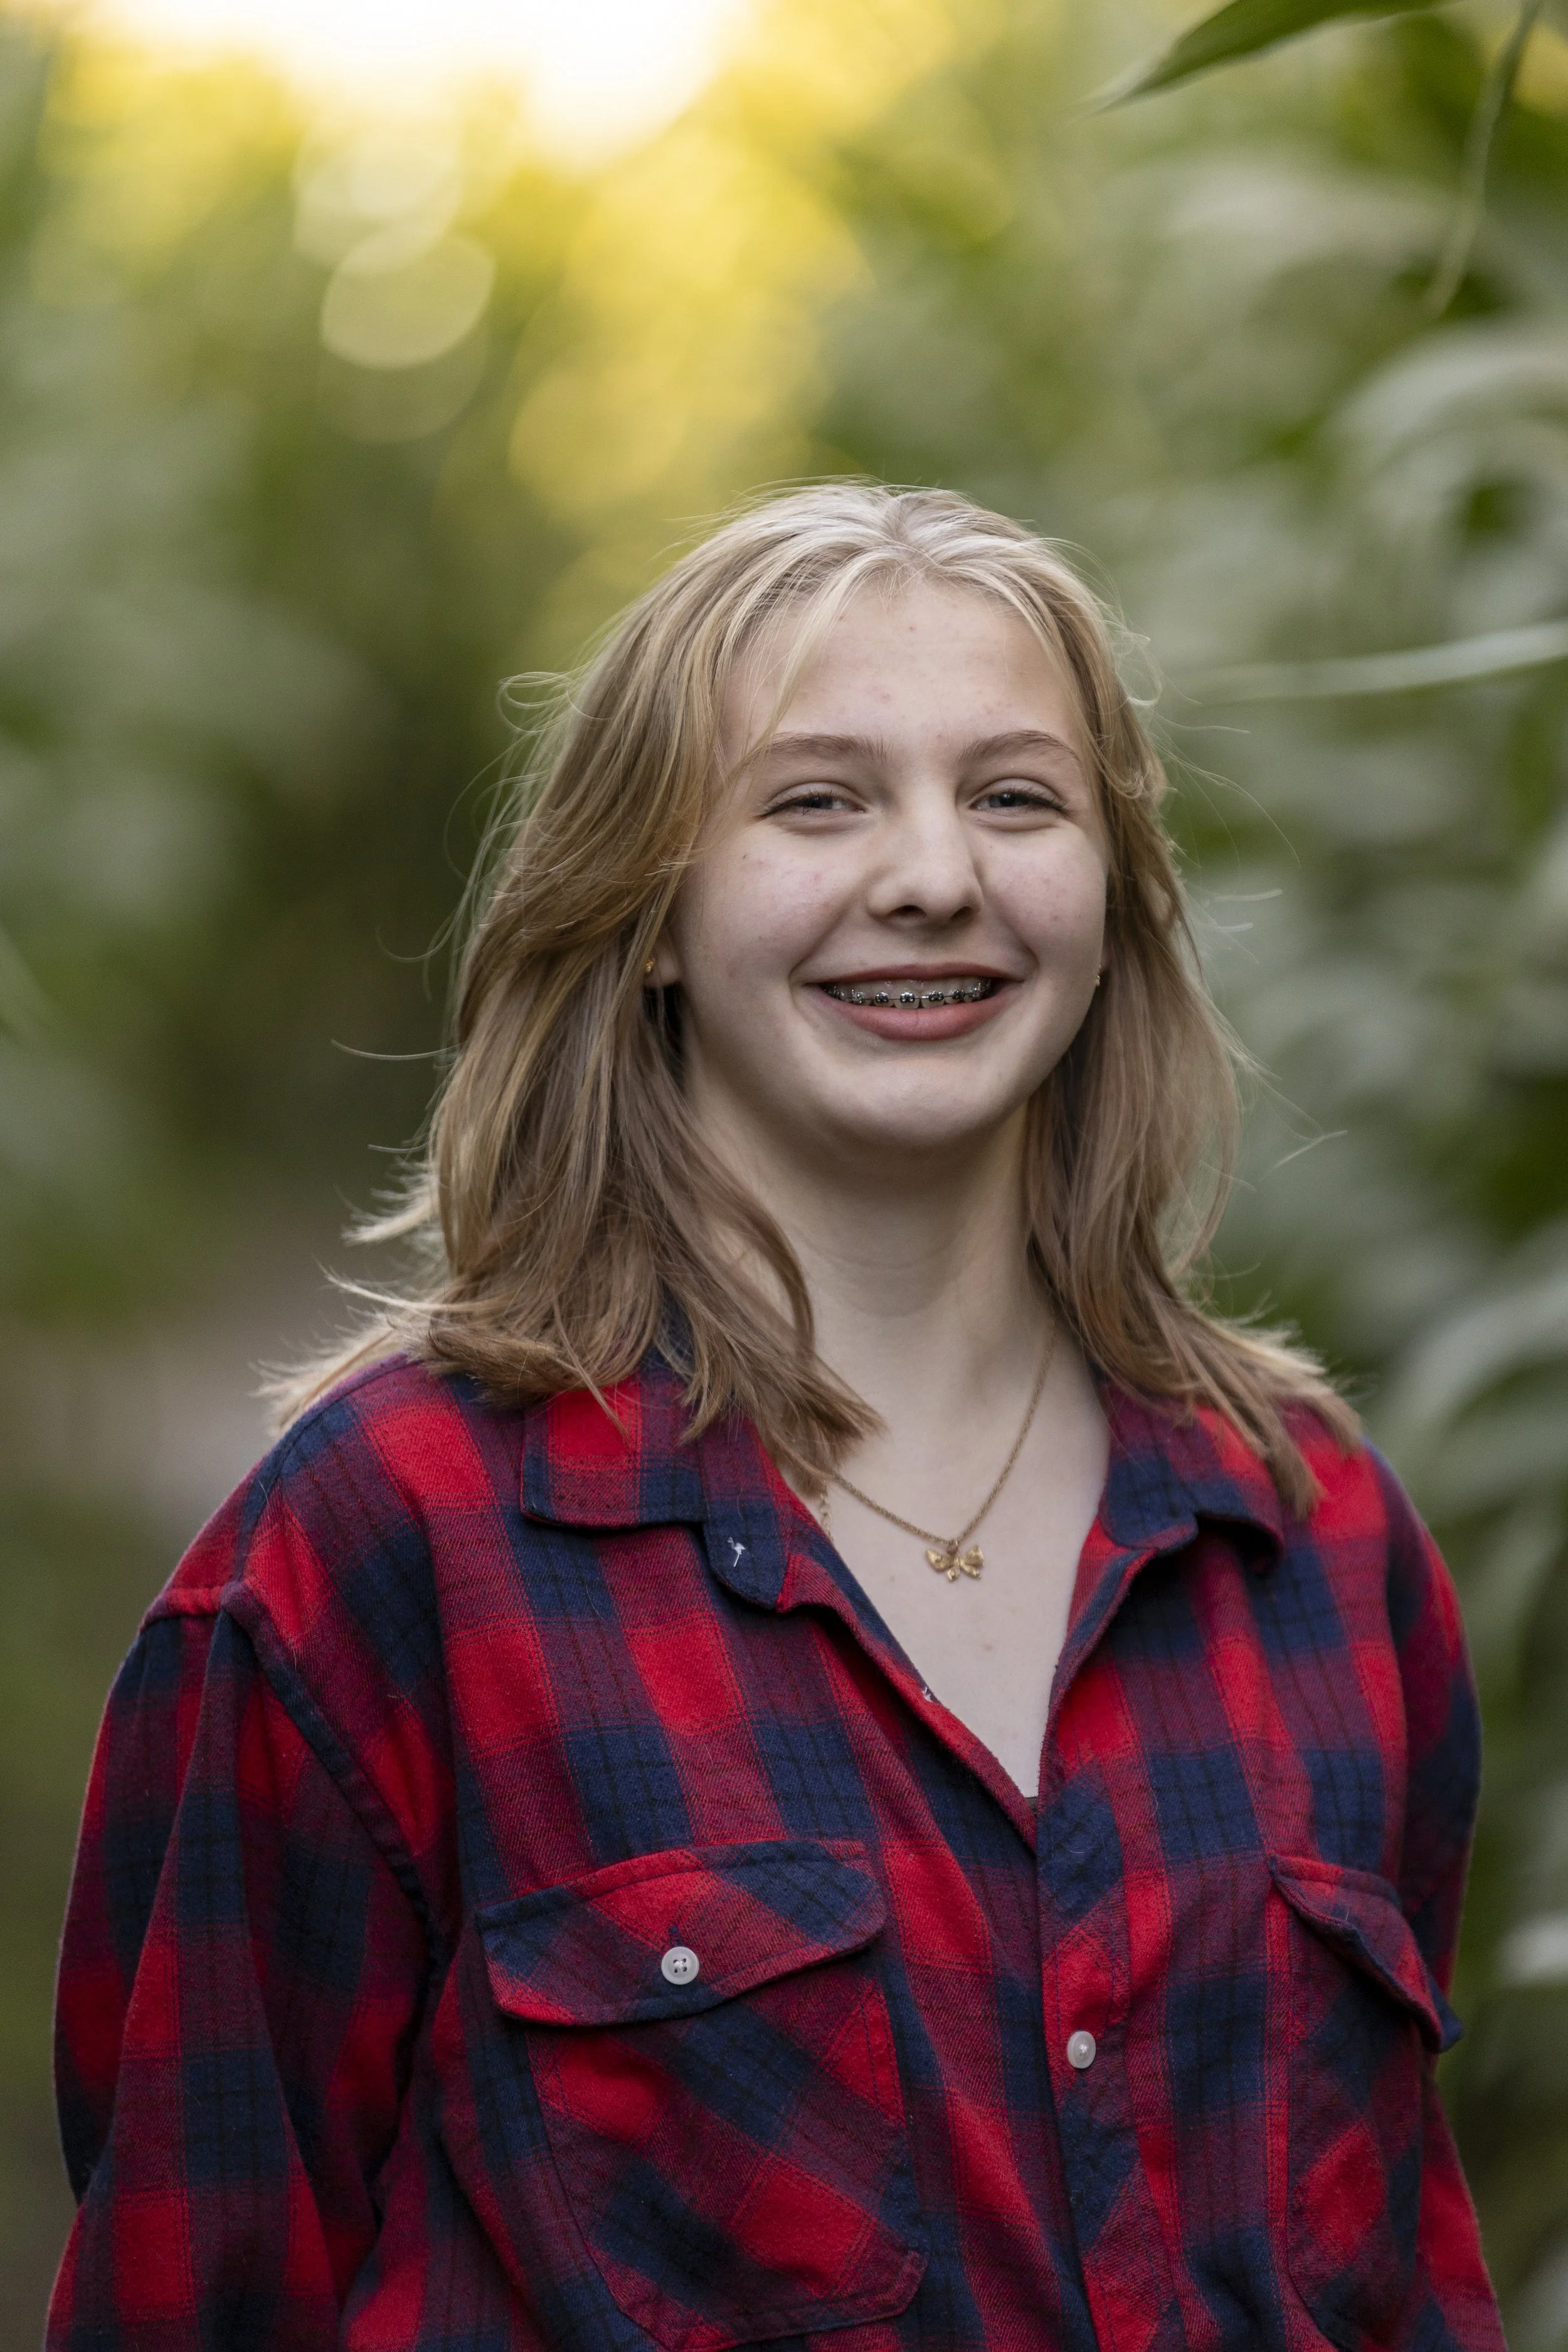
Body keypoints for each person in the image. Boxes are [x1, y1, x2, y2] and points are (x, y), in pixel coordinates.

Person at [48, 484, 1504, 2351]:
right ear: (644, 913)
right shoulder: (389, 1539)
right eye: (816, 799)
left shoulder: (1311, 1533)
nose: (931, 876)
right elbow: (195, 2283)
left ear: (1113, 901)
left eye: (1014, 797)